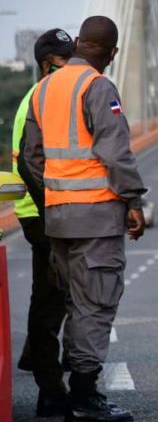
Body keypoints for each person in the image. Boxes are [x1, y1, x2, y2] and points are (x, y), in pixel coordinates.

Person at [22, 15, 146, 422]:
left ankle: (75, 391)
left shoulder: (43, 90)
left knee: (75, 302)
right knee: (97, 302)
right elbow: (114, 151)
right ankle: (86, 393)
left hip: (57, 218)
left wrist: (57, 193)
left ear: (78, 42)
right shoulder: (98, 86)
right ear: (112, 52)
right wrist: (132, 199)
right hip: (97, 217)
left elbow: (31, 157)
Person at [12, 28, 74, 417]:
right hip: (43, 214)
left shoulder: (55, 95)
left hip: (57, 211)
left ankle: (36, 357)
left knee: (59, 299)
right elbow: (28, 164)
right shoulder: (37, 100)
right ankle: (50, 391)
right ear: (46, 64)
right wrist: (53, 212)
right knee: (51, 302)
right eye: (67, 60)